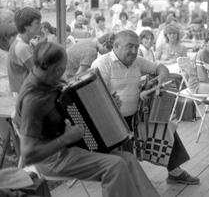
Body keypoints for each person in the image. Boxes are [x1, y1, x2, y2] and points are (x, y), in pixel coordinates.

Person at [14, 41, 159, 197]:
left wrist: (108, 104)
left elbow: (75, 111)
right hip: (53, 158)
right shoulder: (34, 101)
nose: (64, 73)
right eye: (64, 68)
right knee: (115, 165)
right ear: (57, 70)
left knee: (128, 159)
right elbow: (29, 154)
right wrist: (65, 138)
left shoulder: (49, 82)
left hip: (73, 147)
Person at [91, 30, 200, 185]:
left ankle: (175, 173)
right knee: (127, 172)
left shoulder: (137, 61)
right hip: (111, 124)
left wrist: (160, 79)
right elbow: (94, 100)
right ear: (116, 45)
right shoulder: (102, 64)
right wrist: (109, 104)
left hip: (135, 117)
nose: (134, 51)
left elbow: (161, 68)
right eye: (130, 47)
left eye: (136, 47)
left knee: (165, 126)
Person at [7, 7, 41, 93]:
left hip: (23, 92)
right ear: (27, 27)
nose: (41, 26)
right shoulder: (22, 48)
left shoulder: (20, 42)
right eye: (37, 23)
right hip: (26, 94)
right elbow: (39, 73)